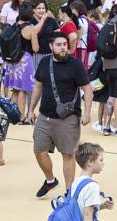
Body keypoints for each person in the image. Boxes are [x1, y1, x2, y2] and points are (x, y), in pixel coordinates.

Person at [30, 28, 91, 198]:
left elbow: (87, 88)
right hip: (45, 115)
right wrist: (30, 109)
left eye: (65, 44)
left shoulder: (75, 64)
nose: (63, 47)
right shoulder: (44, 63)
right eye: (59, 45)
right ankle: (50, 180)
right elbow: (38, 86)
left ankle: (69, 192)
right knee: (39, 150)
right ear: (51, 46)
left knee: (68, 154)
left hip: (68, 118)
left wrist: (86, 113)